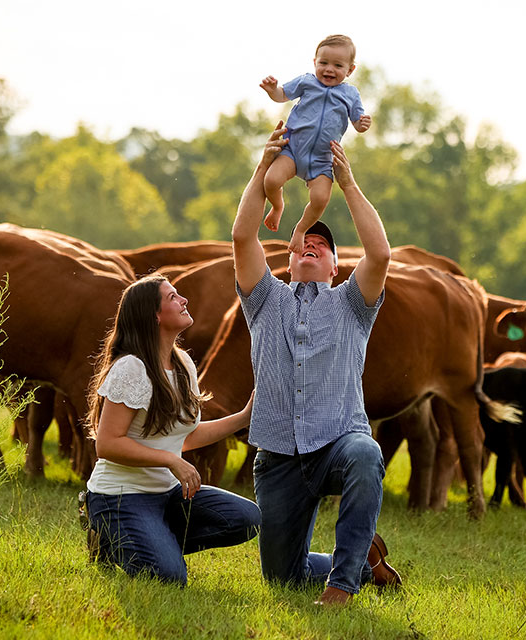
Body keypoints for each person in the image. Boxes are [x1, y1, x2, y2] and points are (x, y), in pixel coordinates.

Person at [231, 124, 401, 606]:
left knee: (366, 454)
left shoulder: (353, 303)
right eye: (303, 240)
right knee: (282, 580)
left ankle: (342, 588)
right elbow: (242, 234)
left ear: (334, 268)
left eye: (322, 246)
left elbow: (382, 253)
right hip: (279, 457)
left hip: (337, 443)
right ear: (286, 258)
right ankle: (362, 562)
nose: (311, 244)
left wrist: (347, 183)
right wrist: (264, 169)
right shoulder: (264, 299)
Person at [84, 273, 261, 585]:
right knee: (169, 577)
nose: (184, 301)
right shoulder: (131, 369)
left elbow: (185, 436)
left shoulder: (183, 364)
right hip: (122, 497)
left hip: (167, 495)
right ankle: (111, 536)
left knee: (246, 520)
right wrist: (171, 460)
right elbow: (108, 444)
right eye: (173, 297)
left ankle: (146, 541)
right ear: (155, 315)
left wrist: (245, 416)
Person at [260, 34, 371, 254]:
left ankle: (301, 229)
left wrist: (362, 124)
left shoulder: (350, 94)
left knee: (321, 199)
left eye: (338, 65)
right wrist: (273, 90)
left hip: (322, 159)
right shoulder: (307, 82)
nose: (329, 69)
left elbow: (357, 122)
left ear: (350, 70)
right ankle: (278, 205)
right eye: (323, 63)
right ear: (315, 62)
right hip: (293, 149)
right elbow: (282, 95)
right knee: (271, 180)